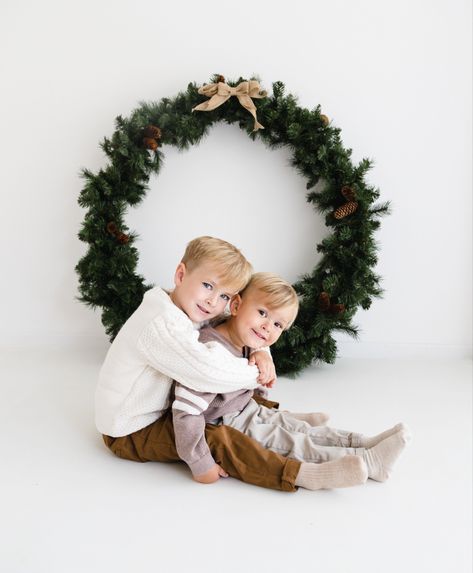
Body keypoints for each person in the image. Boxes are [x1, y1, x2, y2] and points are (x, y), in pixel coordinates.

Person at [97, 236, 350, 492]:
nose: (213, 302)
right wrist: (257, 374)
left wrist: (261, 350)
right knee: (216, 437)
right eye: (207, 285)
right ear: (181, 274)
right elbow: (208, 372)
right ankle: (298, 474)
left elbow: (244, 325)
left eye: (224, 295)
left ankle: (275, 419)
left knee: (229, 395)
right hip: (131, 429)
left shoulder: (186, 306)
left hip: (161, 409)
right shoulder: (161, 323)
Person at [172, 272, 411, 486]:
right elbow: (185, 414)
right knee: (292, 443)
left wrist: (259, 356)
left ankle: (362, 442)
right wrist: (200, 463)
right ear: (236, 305)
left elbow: (246, 381)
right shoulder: (209, 352)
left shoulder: (243, 339)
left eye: (277, 324)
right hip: (225, 424)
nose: (267, 327)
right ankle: (369, 462)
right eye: (262, 313)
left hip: (246, 408)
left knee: (302, 429)